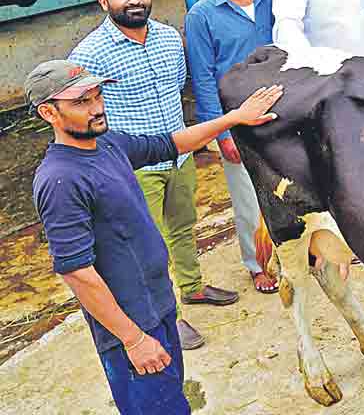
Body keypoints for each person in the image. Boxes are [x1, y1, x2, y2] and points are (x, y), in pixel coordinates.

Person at [29, 59, 281, 415]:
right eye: (81, 102)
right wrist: (133, 339)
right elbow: (76, 272)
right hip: (131, 326)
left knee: (172, 401)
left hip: (159, 307)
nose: (97, 107)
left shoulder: (108, 144)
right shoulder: (60, 180)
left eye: (97, 95)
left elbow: (169, 143)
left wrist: (233, 118)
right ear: (48, 113)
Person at [69, 0, 242, 354]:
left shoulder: (167, 39)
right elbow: (81, 112)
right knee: (148, 244)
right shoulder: (89, 55)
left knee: (183, 226)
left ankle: (193, 286)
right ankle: (170, 315)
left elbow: (179, 90)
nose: (134, 0)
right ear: (103, 2)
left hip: (178, 156)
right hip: (132, 166)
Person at [183, 0, 278, 297]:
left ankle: (299, 252)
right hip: (236, 120)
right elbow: (203, 77)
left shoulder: (275, 0)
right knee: (248, 195)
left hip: (283, 108)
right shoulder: (202, 16)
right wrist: (221, 133)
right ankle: (259, 265)